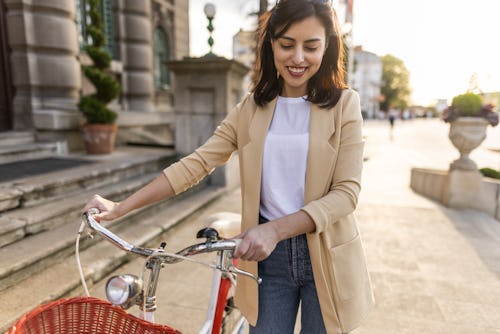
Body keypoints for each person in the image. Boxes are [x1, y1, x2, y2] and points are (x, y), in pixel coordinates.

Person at [83, 0, 374, 332]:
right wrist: (120, 207)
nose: (297, 58)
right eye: (286, 44)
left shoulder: (344, 104)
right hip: (267, 261)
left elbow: (346, 194)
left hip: (327, 255)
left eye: (311, 46)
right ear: (271, 45)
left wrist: (275, 230)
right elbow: (196, 163)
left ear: (327, 47)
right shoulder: (251, 108)